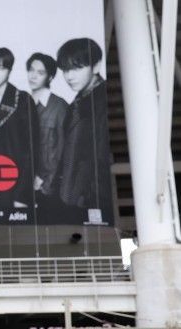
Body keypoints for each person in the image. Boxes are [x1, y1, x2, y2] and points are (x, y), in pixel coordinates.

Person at [0, 47, 39, 216]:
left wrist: (22, 195)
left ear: (9, 71)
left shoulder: (22, 100)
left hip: (13, 186)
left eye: (1, 68)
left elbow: (32, 150)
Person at [56, 38, 113, 225]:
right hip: (73, 198)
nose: (69, 76)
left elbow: (102, 156)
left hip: (92, 201)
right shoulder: (77, 103)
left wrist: (90, 198)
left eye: (77, 68)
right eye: (65, 70)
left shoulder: (103, 101)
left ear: (96, 66)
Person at [26, 52, 68, 222]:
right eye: (31, 70)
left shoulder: (60, 107)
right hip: (24, 188)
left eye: (40, 72)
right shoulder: (22, 104)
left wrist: (44, 180)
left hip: (48, 189)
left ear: (50, 77)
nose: (33, 76)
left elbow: (64, 151)